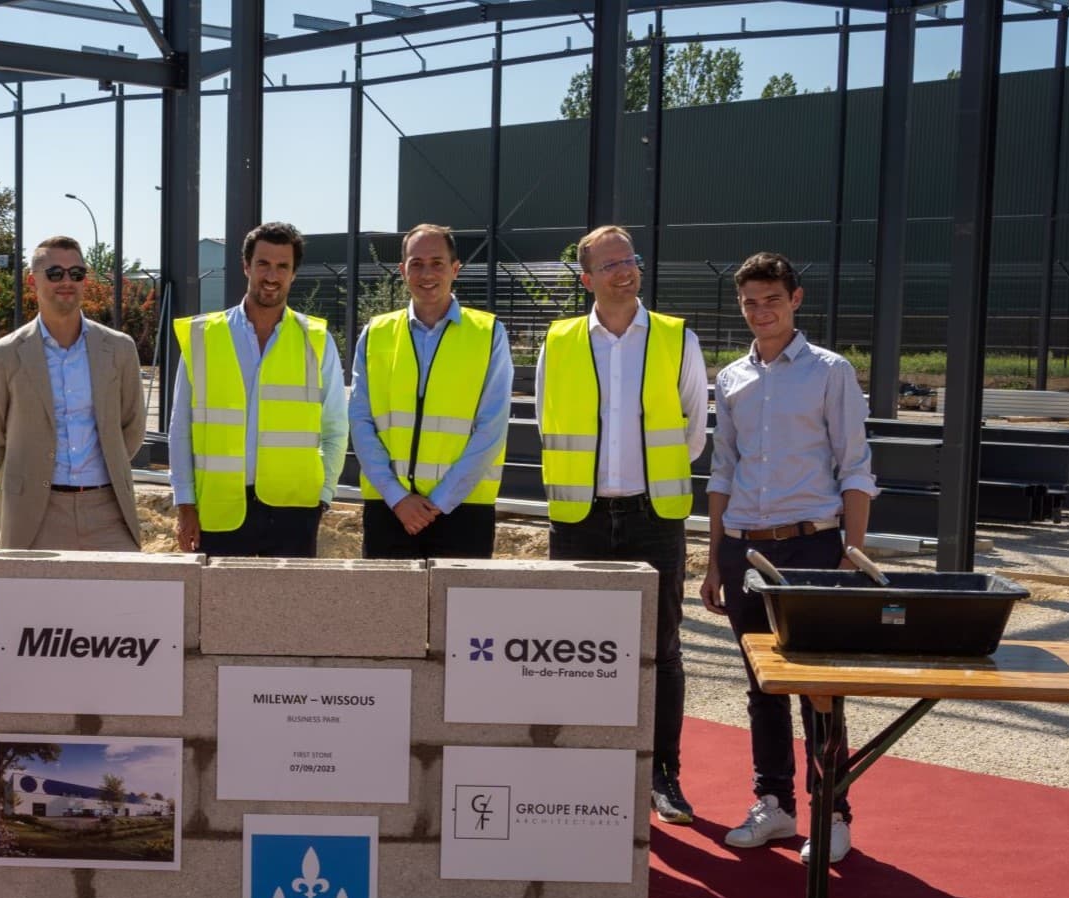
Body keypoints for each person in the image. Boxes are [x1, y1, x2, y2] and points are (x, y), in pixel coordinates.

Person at [701, 251, 877, 864]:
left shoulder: (831, 373)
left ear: (796, 300)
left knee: (819, 689)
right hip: (745, 546)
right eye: (750, 301)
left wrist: (851, 554)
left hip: (813, 545)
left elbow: (855, 467)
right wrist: (713, 554)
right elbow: (724, 467)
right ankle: (772, 805)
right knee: (761, 684)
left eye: (771, 299)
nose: (760, 311)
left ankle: (832, 812)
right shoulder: (730, 378)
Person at [536, 225, 708, 828]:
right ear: (586, 279)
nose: (623, 271)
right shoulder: (558, 342)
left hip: (652, 514)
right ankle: (589, 771)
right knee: (576, 652)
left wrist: (647, 479)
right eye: (609, 265)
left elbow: (692, 429)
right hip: (579, 519)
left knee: (662, 650)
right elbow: (547, 420)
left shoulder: (675, 337)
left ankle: (663, 775)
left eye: (629, 259)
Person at [170, 221, 347, 557]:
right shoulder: (203, 336)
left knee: (289, 609)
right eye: (263, 264)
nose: (271, 276)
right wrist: (185, 504)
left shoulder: (316, 340)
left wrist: (323, 497)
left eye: (283, 266)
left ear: (293, 273)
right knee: (221, 609)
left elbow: (336, 427)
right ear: (246, 266)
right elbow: (181, 429)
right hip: (220, 511)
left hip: (295, 512)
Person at [348, 223, 511, 559]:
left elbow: (491, 427)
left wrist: (438, 502)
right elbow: (361, 421)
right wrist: (397, 497)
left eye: (437, 263)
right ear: (402, 270)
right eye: (416, 263)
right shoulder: (376, 333)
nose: (427, 273)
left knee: (461, 613)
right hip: (390, 509)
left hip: (463, 510)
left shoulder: (489, 333)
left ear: (455, 269)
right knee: (386, 611)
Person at [0, 235, 145, 551]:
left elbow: (132, 427)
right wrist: (26, 479)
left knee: (121, 600)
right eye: (55, 273)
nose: (66, 281)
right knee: (30, 602)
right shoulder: (4, 355)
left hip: (109, 512)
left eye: (76, 273)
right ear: (32, 281)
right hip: (32, 515)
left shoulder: (120, 349)